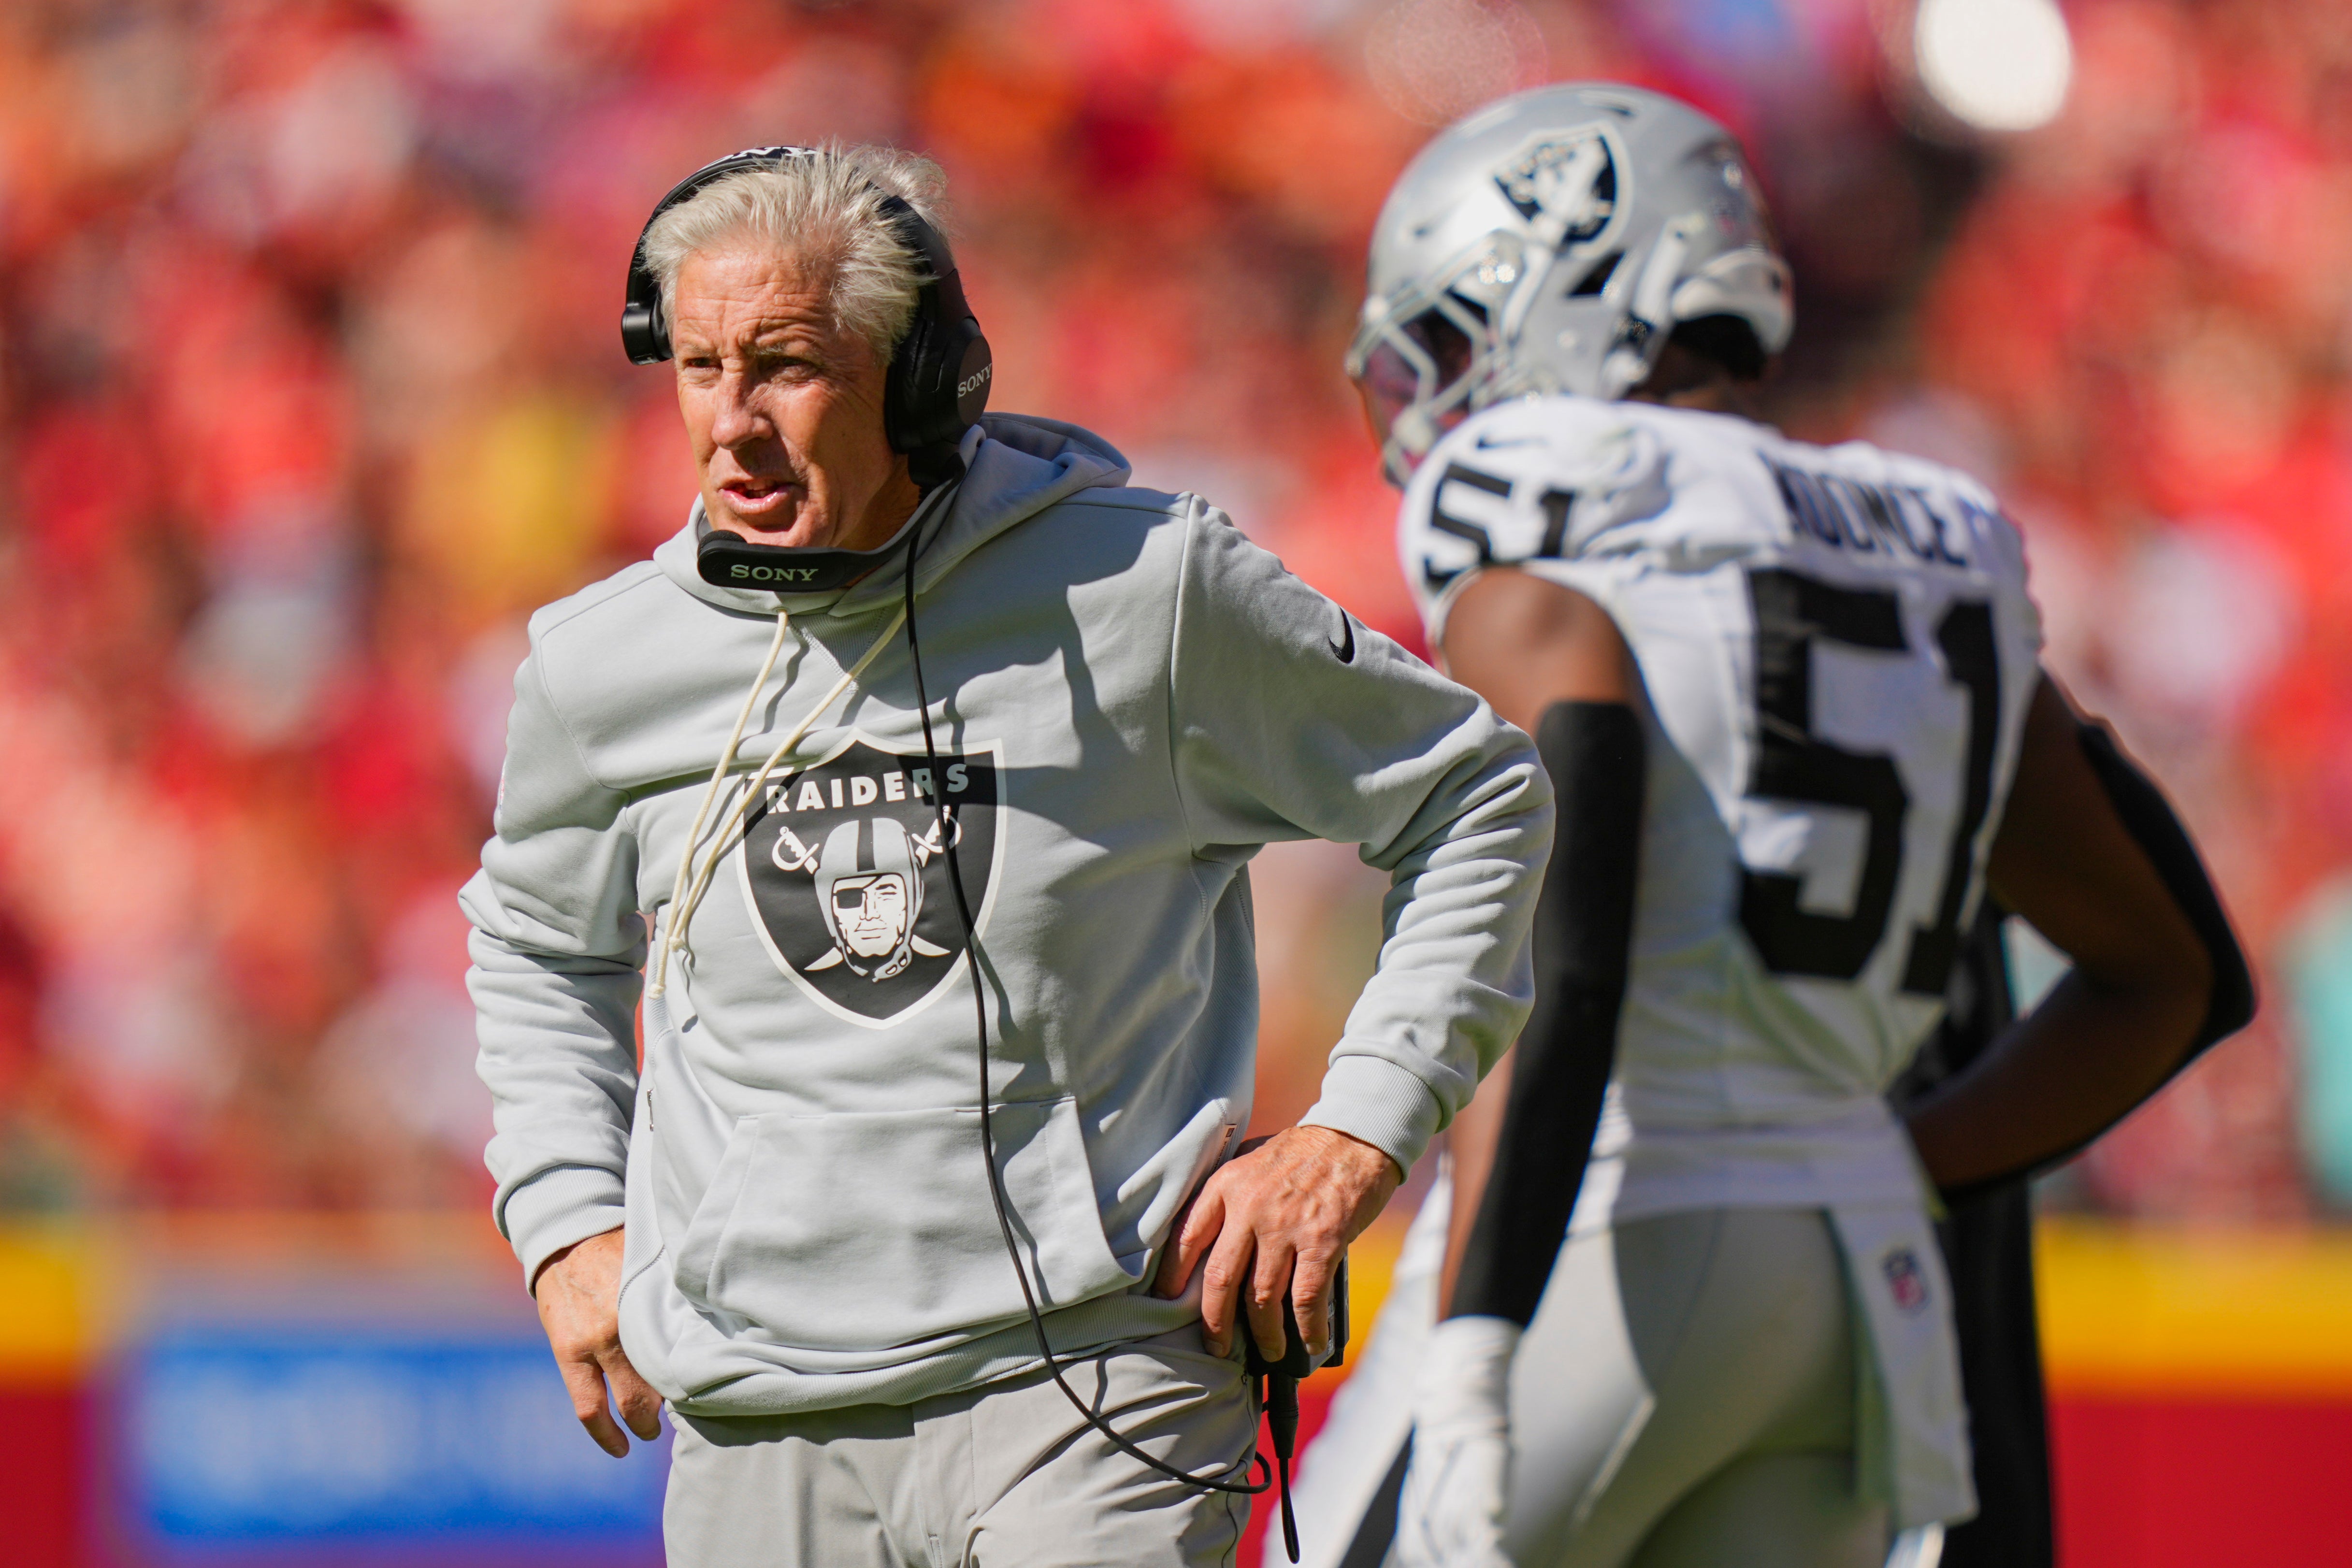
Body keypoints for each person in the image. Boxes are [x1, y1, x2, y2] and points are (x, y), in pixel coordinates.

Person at [462, 143, 1555, 1568]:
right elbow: (535, 943)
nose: (729, 424)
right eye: (696, 367)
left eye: (785, 365)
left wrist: (1354, 1136)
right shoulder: (602, 666)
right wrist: (563, 1218)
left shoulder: (1149, 591)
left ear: (923, 381)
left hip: (1094, 1397)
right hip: (758, 1422)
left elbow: (1475, 796)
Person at [1286, 84, 2254, 1568]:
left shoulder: (1555, 506)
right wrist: (1884, 1162)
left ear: (1585, 290)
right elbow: (2174, 972)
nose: (1436, 403)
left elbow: (1563, 942)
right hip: (1852, 1288)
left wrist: (1477, 1328)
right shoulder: (1930, 541)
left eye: (1455, 342)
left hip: (1609, 1229)